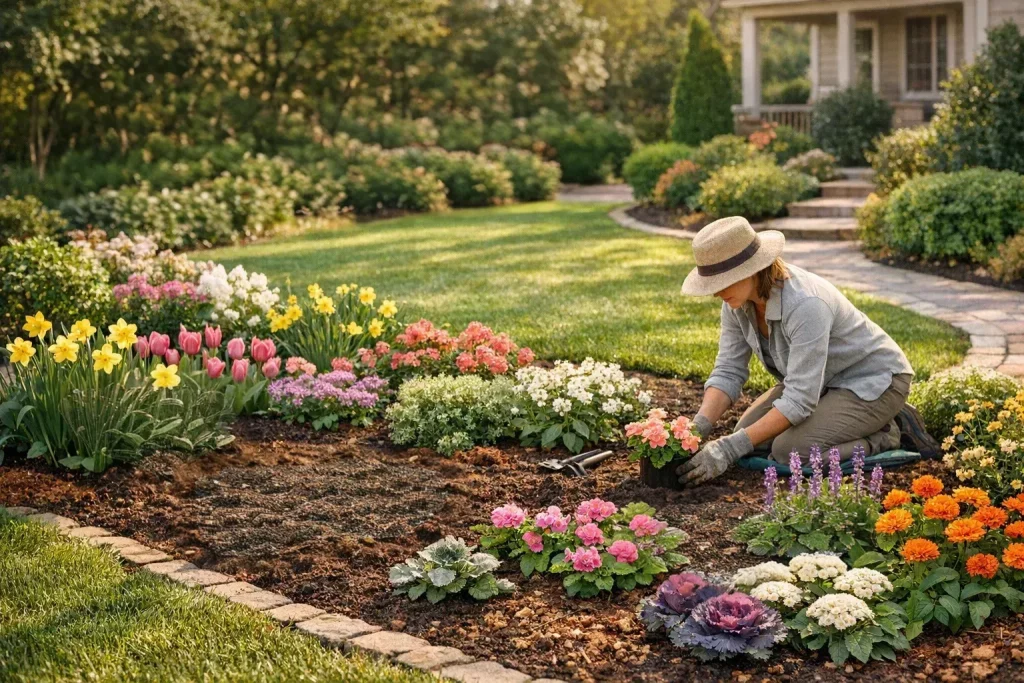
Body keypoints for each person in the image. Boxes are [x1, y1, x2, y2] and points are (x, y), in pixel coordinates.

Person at [676, 216, 937, 486]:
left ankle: (886, 433)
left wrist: (728, 449)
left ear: (751, 269)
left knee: (792, 453)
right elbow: (729, 371)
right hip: (820, 381)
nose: (715, 292)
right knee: (747, 437)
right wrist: (697, 428)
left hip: (873, 382)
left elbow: (799, 398)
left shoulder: (806, 304)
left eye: (722, 281)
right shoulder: (737, 302)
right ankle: (854, 422)